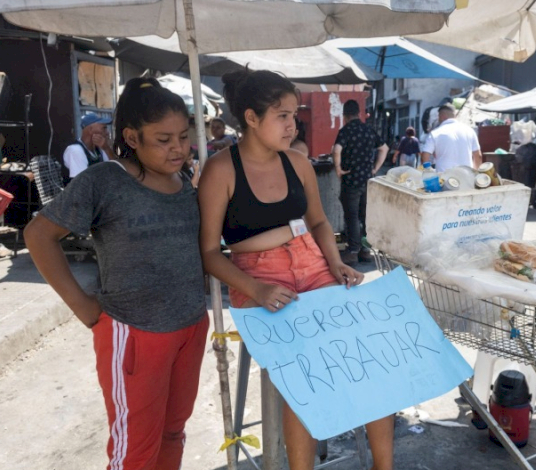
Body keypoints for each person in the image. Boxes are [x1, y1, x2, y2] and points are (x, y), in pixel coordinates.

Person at [197, 70, 394, 470]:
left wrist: (336, 263)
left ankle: (384, 466)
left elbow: (319, 223)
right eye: (282, 116)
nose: (293, 125)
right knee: (301, 375)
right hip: (257, 277)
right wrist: (256, 289)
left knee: (373, 355)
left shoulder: (298, 163)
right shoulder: (221, 170)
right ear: (251, 118)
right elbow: (209, 253)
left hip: (313, 262)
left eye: (294, 115)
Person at [24, 77, 209, 470]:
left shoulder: (186, 180)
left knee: (172, 434)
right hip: (134, 332)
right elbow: (39, 234)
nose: (178, 147)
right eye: (163, 139)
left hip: (191, 326)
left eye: (182, 136)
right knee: (134, 453)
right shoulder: (105, 181)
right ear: (132, 136)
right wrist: (84, 308)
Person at [332, 99, 388, 265]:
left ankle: (352, 251)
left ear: (345, 115)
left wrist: (338, 169)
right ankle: (365, 250)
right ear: (358, 113)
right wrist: (375, 168)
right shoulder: (368, 130)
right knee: (365, 217)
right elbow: (384, 148)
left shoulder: (345, 131)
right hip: (367, 180)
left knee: (352, 217)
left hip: (351, 181)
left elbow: (336, 150)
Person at [421, 104, 482, 171]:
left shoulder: (435, 133)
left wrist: (428, 172)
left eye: (438, 116)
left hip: (444, 177)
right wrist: (475, 173)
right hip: (466, 176)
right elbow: (478, 156)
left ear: (442, 116)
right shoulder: (470, 131)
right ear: (454, 116)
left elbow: (425, 156)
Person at [63, 111, 114, 180]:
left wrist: (107, 148)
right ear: (90, 130)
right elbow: (83, 184)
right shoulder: (75, 150)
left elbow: (116, 168)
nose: (107, 132)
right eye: (104, 128)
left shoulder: (99, 148)